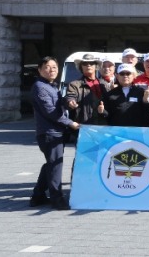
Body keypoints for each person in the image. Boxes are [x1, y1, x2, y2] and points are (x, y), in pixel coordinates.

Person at [30, 57, 78, 210]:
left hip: (56, 132)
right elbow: (50, 111)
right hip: (49, 133)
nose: (51, 70)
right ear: (40, 69)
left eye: (54, 67)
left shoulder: (51, 86)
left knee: (51, 164)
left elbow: (58, 103)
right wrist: (71, 123)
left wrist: (67, 102)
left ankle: (37, 196)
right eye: (47, 67)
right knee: (55, 165)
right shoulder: (39, 87)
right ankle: (57, 200)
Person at [65, 53, 108, 129]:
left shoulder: (104, 84)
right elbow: (70, 97)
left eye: (91, 63)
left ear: (96, 66)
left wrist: (103, 111)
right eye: (85, 63)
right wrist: (71, 102)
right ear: (81, 67)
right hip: (83, 127)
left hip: (103, 126)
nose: (88, 65)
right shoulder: (74, 84)